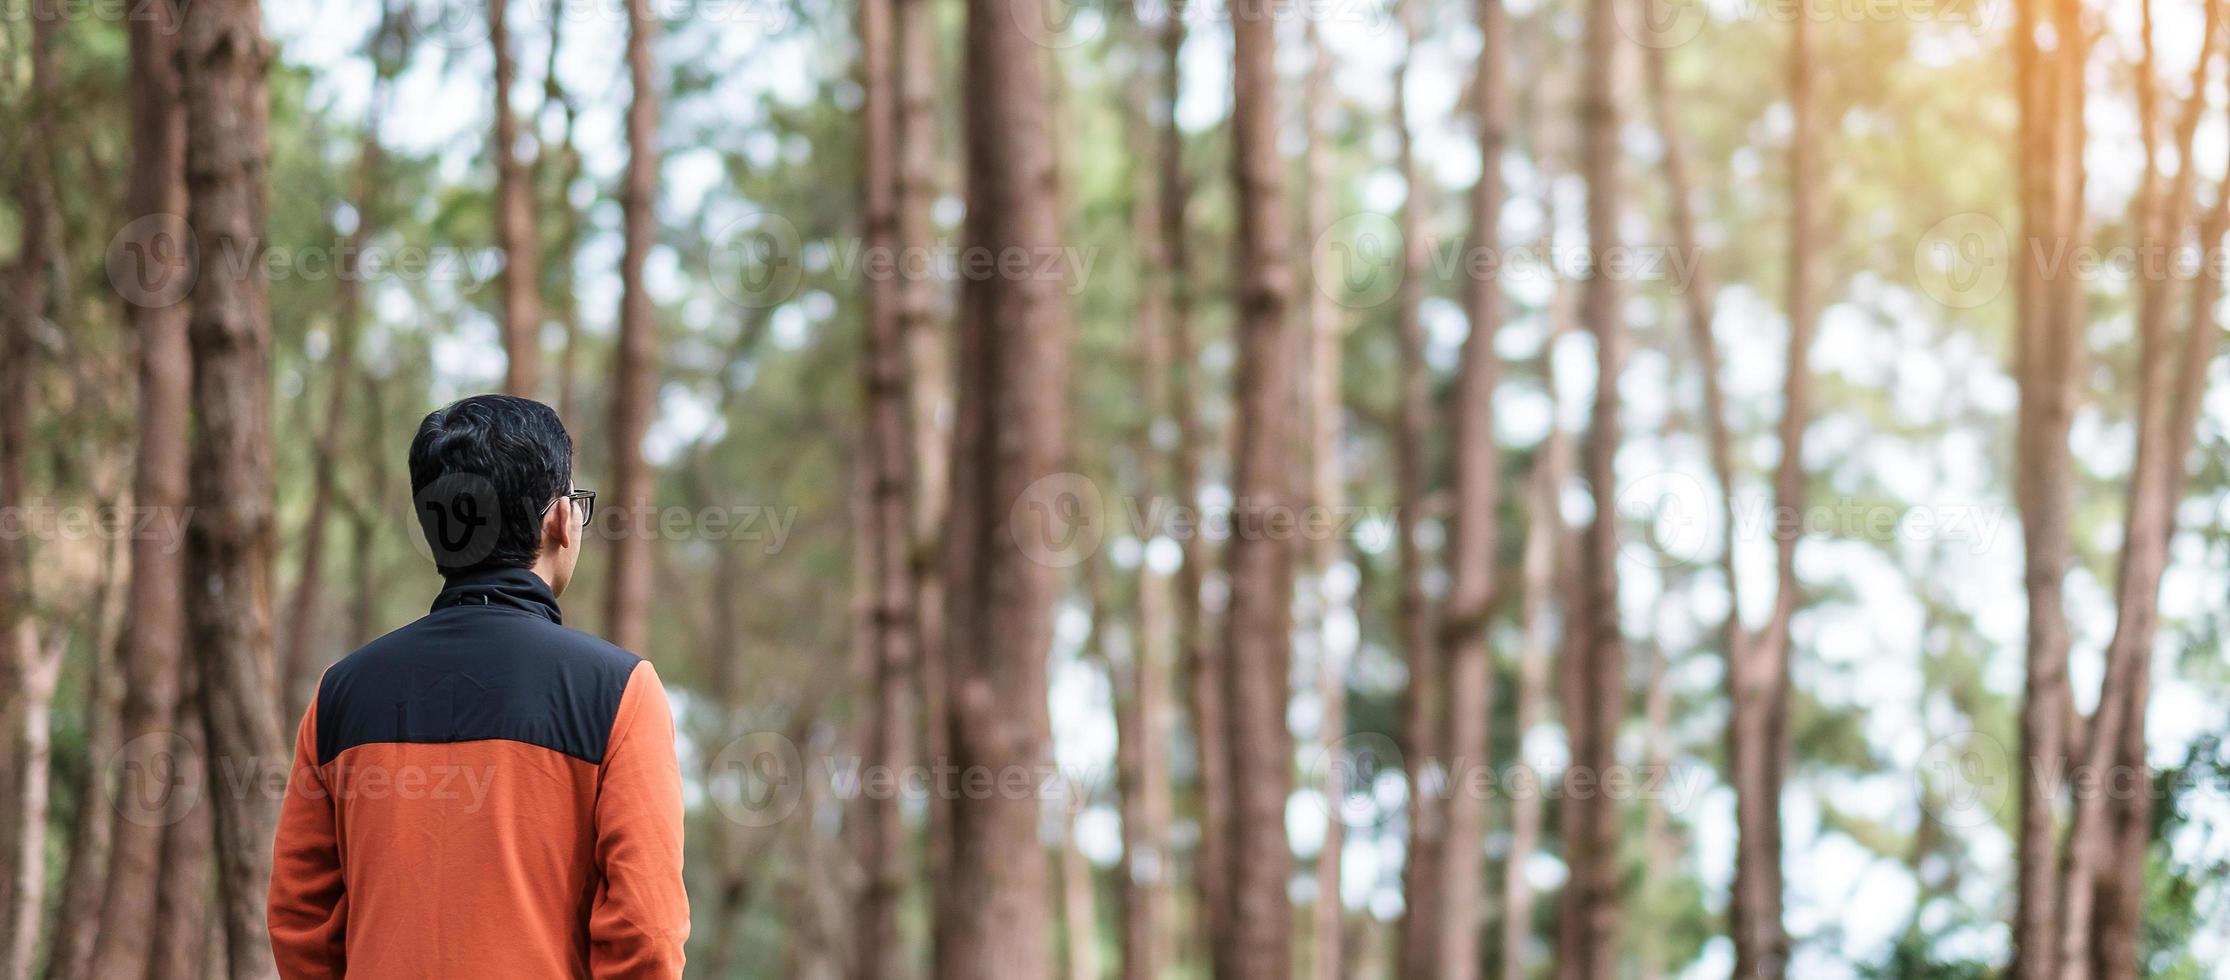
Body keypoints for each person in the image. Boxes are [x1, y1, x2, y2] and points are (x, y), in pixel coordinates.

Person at [268, 394, 688, 978]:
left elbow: (300, 922)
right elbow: (648, 934)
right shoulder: (619, 691)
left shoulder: (340, 694)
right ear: (559, 520)